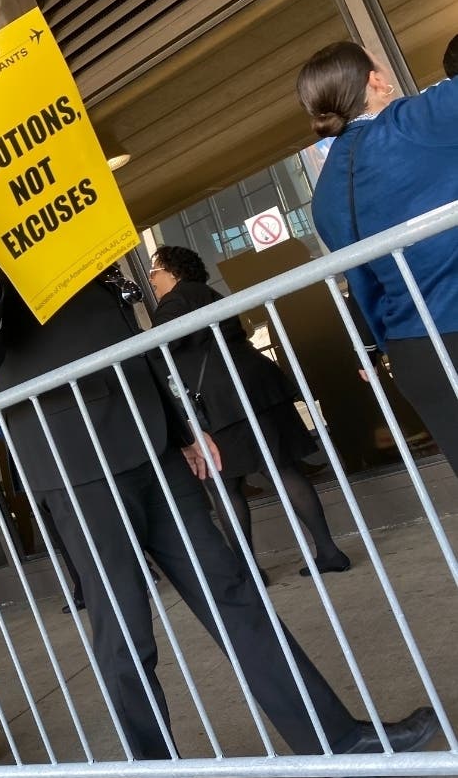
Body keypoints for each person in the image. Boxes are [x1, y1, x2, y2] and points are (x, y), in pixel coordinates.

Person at [0, 200, 438, 778]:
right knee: (126, 629)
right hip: (75, 465)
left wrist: (181, 427)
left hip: (150, 444)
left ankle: (336, 744)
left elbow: (129, 340)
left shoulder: (63, 209)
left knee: (233, 590)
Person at [297, 42, 458, 473]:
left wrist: (377, 346)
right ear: (376, 80)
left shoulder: (324, 194)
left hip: (414, 353)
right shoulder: (414, 122)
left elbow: (364, 285)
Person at [148, 244, 351, 578]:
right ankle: (328, 550)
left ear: (172, 271)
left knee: (223, 485)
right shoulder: (211, 294)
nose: (152, 280)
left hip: (224, 401)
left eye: (154, 272)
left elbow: (159, 349)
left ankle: (249, 571)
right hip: (258, 387)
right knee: (282, 469)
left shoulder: (175, 300)